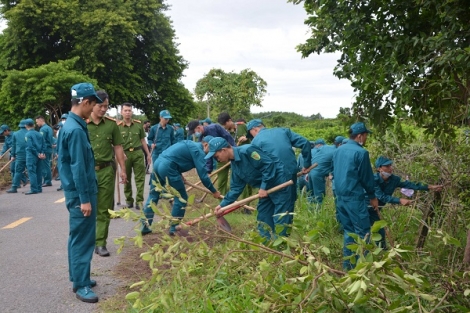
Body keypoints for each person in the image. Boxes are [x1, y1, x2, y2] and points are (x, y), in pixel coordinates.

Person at [57, 82, 103, 303]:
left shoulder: (73, 125)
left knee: (77, 237)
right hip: (80, 194)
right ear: (85, 102)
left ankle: (79, 276)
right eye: (93, 105)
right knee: (83, 240)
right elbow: (77, 167)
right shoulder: (75, 130)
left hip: (78, 192)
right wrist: (85, 199)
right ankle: (81, 285)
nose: (94, 109)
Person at [208, 138, 292, 240]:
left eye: (216, 156)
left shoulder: (247, 150)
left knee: (281, 215)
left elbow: (268, 165)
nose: (217, 160)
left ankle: (281, 245)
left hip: (279, 182)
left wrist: (263, 187)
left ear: (224, 150)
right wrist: (222, 205)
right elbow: (235, 188)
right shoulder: (235, 165)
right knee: (263, 216)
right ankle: (267, 244)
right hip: (264, 188)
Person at [141, 140, 220, 235]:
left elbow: (177, 157)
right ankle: (174, 228)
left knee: (154, 195)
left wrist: (180, 175)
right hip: (168, 167)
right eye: (211, 150)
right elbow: (203, 176)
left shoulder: (189, 143)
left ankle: (145, 225)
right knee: (181, 197)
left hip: (158, 163)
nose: (211, 154)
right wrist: (214, 191)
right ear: (205, 144)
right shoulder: (198, 151)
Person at [366, 156, 443, 248]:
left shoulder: (395, 179)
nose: (391, 168)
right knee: (363, 230)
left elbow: (410, 184)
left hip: (376, 210)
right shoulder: (373, 180)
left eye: (391, 165)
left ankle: (382, 252)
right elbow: (382, 197)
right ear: (379, 168)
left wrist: (429, 187)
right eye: (387, 166)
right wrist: (399, 200)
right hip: (364, 206)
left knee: (380, 231)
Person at [333, 122, 378, 270]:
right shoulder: (361, 152)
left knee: (349, 231)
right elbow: (366, 178)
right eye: (365, 136)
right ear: (360, 136)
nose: (366, 139)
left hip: (340, 197)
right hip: (354, 197)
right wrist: (372, 196)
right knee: (363, 232)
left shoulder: (339, 150)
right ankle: (362, 268)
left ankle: (348, 266)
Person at [87, 90, 127, 257]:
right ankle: (88, 242)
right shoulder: (82, 124)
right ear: (91, 104)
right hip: (87, 172)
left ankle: (100, 243)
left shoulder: (112, 125)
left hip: (106, 171)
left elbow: (118, 147)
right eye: (100, 106)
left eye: (106, 106)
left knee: (104, 209)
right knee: (87, 208)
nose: (103, 109)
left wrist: (122, 169)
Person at [248, 119, 311, 223]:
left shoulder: (255, 141)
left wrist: (262, 185)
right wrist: (307, 164)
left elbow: (256, 164)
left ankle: (268, 236)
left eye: (251, 134)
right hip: (288, 174)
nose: (252, 137)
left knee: (267, 206)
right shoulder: (283, 131)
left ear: (254, 129)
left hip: (269, 177)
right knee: (284, 208)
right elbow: (305, 143)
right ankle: (281, 237)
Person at [187, 117, 237, 195]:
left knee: (236, 181)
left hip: (231, 156)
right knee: (221, 184)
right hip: (220, 160)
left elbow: (228, 137)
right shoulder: (201, 140)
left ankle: (245, 204)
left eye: (194, 132)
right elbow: (208, 155)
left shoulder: (215, 128)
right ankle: (225, 204)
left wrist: (235, 153)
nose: (194, 134)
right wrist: (208, 170)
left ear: (198, 127)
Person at [119, 103, 152, 210]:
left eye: (129, 110)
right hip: (125, 154)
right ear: (121, 112)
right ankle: (129, 200)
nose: (128, 112)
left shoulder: (138, 125)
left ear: (132, 112)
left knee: (140, 178)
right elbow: (116, 144)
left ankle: (139, 201)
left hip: (138, 153)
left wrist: (148, 154)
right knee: (126, 178)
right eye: (125, 110)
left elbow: (143, 140)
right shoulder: (118, 127)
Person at [308, 139, 336, 207]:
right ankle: (318, 213)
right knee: (319, 195)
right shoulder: (336, 151)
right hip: (318, 174)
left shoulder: (324, 148)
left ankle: (310, 211)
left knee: (311, 194)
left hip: (310, 172)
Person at [23, 118, 46, 194]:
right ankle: (39, 188)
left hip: (31, 155)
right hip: (40, 155)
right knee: (39, 171)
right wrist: (42, 153)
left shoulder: (27, 134)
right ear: (33, 125)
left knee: (31, 171)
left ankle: (34, 189)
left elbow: (30, 146)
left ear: (26, 125)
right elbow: (43, 144)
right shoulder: (39, 133)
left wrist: (37, 154)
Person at [6, 120, 28, 193]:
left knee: (18, 171)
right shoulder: (32, 133)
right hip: (30, 154)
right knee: (32, 171)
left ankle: (14, 187)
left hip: (20, 155)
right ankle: (36, 187)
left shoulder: (15, 134)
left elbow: (14, 146)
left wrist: (12, 155)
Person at [35, 116, 54, 187]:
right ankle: (47, 180)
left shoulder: (43, 129)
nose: (37, 124)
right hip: (49, 148)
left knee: (45, 165)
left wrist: (41, 150)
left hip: (45, 149)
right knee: (47, 164)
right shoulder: (49, 128)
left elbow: (41, 140)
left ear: (40, 120)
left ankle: (47, 180)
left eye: (37, 122)